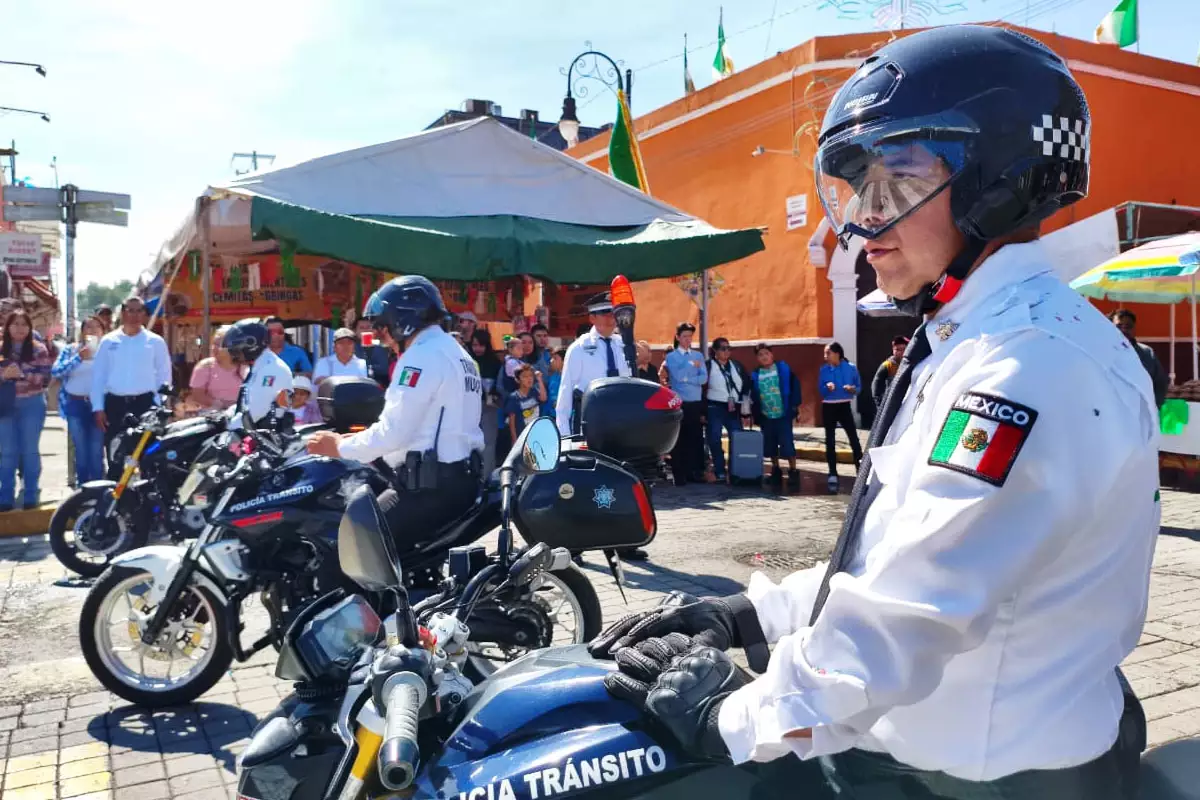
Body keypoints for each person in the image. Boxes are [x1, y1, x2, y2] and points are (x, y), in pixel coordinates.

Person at [589, 26, 1159, 800]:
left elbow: (909, 614)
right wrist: (746, 615)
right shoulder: (972, 339)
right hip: (924, 756)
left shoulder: (1028, 367)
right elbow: (890, 555)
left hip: (979, 781)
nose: (862, 220)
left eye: (896, 180)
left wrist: (729, 715)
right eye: (857, 187)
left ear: (998, 180)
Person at [307, 276, 484, 544]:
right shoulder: (459, 354)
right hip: (461, 481)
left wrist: (338, 448)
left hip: (428, 490)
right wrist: (348, 439)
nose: (382, 335)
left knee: (346, 547)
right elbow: (426, 425)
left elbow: (395, 433)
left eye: (383, 326)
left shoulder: (420, 357)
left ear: (403, 321)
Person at [91, 296, 172, 449]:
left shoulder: (155, 342)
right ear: (122, 313)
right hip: (115, 404)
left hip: (146, 404)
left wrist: (158, 402)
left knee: (144, 453)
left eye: (139, 311)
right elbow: (98, 375)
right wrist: (98, 407)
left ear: (144, 314)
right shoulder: (108, 341)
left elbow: (164, 374)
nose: (135, 315)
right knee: (115, 452)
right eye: (130, 311)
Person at [555, 292, 633, 436]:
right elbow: (565, 393)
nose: (611, 318)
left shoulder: (624, 345)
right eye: (605, 313)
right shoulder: (579, 348)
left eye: (613, 313)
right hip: (591, 422)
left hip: (621, 421)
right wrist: (564, 433)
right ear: (592, 318)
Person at [0, 310, 51, 509]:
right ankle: (5, 496)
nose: (19, 328)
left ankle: (31, 493)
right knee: (7, 452)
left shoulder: (39, 349)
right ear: (7, 327)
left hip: (32, 404)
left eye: (24, 324)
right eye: (15, 324)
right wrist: (4, 376)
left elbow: (46, 378)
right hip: (5, 405)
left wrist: (22, 375)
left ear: (30, 328)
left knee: (30, 450)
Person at [52, 317, 108, 485]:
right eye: (88, 327)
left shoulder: (107, 351)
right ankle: (82, 487)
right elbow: (56, 371)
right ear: (82, 331)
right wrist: (78, 358)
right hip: (75, 403)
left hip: (99, 405)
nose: (92, 330)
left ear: (103, 331)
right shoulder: (71, 350)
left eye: (97, 327)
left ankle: (98, 487)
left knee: (96, 449)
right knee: (81, 449)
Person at [222, 319, 293, 428]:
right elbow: (246, 403)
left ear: (251, 346)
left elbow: (256, 412)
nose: (234, 355)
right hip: (255, 431)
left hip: (269, 437)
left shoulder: (272, 370)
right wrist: (224, 416)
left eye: (236, 351)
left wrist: (227, 428)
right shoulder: (258, 367)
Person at [661, 322, 707, 486]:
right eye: (685, 336)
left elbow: (703, 378)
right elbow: (678, 376)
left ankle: (694, 472)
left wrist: (690, 378)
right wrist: (690, 369)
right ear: (678, 338)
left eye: (690, 336)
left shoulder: (698, 356)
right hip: (680, 402)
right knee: (679, 439)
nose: (688, 340)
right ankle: (679, 474)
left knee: (694, 438)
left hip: (695, 402)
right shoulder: (672, 357)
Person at [749, 343, 802, 486]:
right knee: (770, 445)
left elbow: (795, 387)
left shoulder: (783, 369)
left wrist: (795, 407)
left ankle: (793, 471)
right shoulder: (755, 374)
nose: (764, 357)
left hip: (783, 414)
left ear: (772, 355)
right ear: (757, 358)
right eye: (760, 355)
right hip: (766, 415)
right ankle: (776, 470)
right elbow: (753, 395)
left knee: (787, 444)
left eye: (766, 353)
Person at [818, 341, 864, 492]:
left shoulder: (850, 368)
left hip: (844, 405)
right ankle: (832, 473)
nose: (825, 356)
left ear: (837, 353)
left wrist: (852, 389)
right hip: (828, 406)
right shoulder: (824, 370)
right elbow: (820, 390)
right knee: (829, 440)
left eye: (828, 353)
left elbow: (858, 387)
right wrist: (827, 388)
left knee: (853, 438)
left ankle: (860, 471)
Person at [705, 337, 751, 483]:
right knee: (714, 438)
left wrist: (745, 409)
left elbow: (747, 384)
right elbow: (702, 388)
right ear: (715, 351)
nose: (726, 352)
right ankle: (719, 469)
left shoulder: (736, 366)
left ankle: (735, 469)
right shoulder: (709, 366)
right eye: (723, 349)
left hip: (733, 408)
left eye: (728, 348)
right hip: (714, 406)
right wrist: (702, 411)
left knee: (737, 437)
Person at [1112, 309, 1168, 408]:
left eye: (1128, 327)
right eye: (1119, 326)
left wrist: (1153, 407)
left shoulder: (1147, 353)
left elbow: (1160, 384)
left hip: (1140, 413)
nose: (1124, 330)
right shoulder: (1103, 353)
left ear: (1134, 329)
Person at [470, 329, 503, 476]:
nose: (477, 349)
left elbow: (501, 386)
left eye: (481, 345)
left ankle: (487, 477)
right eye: (475, 345)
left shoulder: (495, 362)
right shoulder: (468, 361)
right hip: (470, 409)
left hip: (490, 408)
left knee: (489, 443)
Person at [188, 326, 244, 411]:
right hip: (212, 416)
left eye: (219, 344)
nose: (214, 348)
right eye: (214, 343)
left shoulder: (245, 366)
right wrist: (221, 405)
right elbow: (197, 395)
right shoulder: (204, 366)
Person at [497, 364, 545, 461]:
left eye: (531, 375)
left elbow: (543, 398)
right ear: (518, 380)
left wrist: (540, 380)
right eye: (525, 376)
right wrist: (515, 440)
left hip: (535, 435)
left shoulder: (534, 392)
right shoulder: (514, 397)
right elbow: (512, 421)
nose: (529, 379)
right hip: (521, 437)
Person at [872, 335, 910, 408]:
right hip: (891, 403)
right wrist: (880, 404)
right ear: (893, 350)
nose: (901, 352)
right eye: (898, 349)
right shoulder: (887, 365)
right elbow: (876, 387)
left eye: (904, 349)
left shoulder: (911, 365)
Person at [542, 348, 564, 419]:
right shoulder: (553, 376)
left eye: (555, 358)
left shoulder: (572, 379)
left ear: (564, 361)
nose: (551, 361)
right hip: (550, 416)